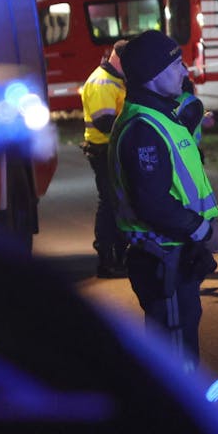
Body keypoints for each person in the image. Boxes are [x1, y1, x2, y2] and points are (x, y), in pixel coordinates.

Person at [109, 29, 218, 368]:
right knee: (178, 361)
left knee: (178, 347)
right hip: (165, 259)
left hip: (175, 255)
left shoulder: (159, 117)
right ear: (153, 75)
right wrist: (205, 232)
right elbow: (154, 204)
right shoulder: (145, 127)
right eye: (176, 65)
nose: (184, 72)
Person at [80, 39, 131, 278]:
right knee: (110, 205)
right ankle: (107, 260)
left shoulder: (115, 79)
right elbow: (104, 122)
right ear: (118, 59)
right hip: (103, 151)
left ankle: (117, 256)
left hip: (110, 150)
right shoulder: (102, 82)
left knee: (117, 203)